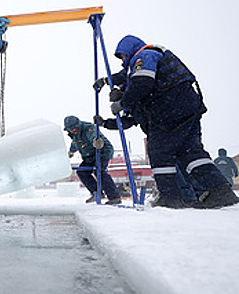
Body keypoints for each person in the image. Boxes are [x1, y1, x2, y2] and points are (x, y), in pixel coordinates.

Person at [96, 34, 238, 209]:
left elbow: (141, 83)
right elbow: (128, 99)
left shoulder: (144, 55)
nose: (123, 60)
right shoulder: (151, 58)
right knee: (191, 153)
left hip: (169, 108)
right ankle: (220, 191)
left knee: (159, 152)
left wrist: (122, 102)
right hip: (188, 107)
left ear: (130, 50)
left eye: (123, 56)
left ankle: (171, 198)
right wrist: (105, 82)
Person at [64, 115, 122, 205]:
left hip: (102, 152)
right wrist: (71, 152)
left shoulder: (88, 128)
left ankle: (114, 197)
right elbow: (75, 143)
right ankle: (96, 193)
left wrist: (96, 141)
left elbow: (93, 135)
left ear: (78, 125)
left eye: (74, 128)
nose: (72, 131)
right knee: (82, 172)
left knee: (99, 171)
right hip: (89, 156)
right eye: (70, 129)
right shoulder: (75, 135)